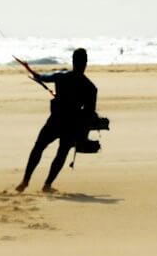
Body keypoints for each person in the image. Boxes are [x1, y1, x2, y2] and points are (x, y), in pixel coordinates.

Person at [16, 48, 98, 193]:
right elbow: (89, 114)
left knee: (39, 147)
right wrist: (83, 135)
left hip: (55, 121)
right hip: (72, 125)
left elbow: (42, 77)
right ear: (86, 63)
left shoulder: (61, 76)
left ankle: (25, 180)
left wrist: (30, 70)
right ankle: (47, 185)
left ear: (73, 61)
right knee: (62, 153)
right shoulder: (90, 87)